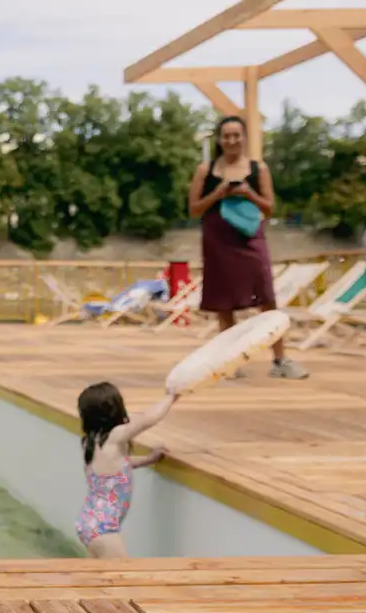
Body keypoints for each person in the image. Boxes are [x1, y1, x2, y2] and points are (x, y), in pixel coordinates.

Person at [187, 116, 308, 380]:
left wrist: (248, 193)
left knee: (266, 295)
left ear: (244, 138)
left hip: (250, 237)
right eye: (226, 136)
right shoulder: (205, 170)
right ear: (220, 139)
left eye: (236, 135)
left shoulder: (258, 168)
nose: (231, 140)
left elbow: (270, 207)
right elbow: (194, 209)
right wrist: (218, 194)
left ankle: (280, 359)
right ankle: (229, 361)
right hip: (218, 239)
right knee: (224, 300)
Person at [75, 383, 175, 559]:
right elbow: (147, 419)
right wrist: (172, 397)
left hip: (90, 521)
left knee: (105, 573)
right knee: (122, 573)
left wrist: (148, 459)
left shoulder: (90, 443)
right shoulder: (115, 436)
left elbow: (118, 466)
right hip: (103, 528)